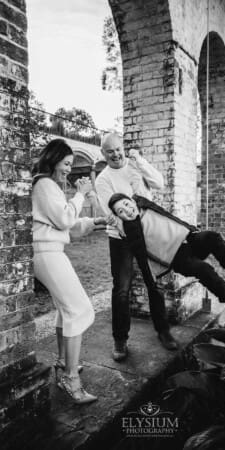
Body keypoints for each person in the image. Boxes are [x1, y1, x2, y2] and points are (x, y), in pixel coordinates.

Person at [107, 193, 225, 327]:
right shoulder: (128, 230)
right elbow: (111, 220)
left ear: (133, 201)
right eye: (121, 211)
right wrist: (94, 200)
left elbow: (140, 177)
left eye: (127, 204)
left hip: (188, 239)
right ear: (118, 216)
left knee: (212, 237)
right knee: (204, 270)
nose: (127, 210)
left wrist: (136, 158)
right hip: (177, 258)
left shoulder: (144, 203)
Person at [32, 138, 107, 404]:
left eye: (70, 165)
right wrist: (80, 195)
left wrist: (94, 221)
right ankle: (71, 378)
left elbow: (67, 225)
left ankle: (64, 362)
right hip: (47, 254)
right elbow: (64, 218)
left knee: (67, 310)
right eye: (66, 164)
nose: (68, 170)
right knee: (80, 309)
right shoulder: (44, 184)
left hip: (52, 252)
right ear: (53, 160)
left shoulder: (49, 187)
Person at [95, 132, 177, 362]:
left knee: (155, 283)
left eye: (118, 149)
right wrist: (131, 229)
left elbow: (159, 184)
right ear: (104, 153)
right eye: (110, 151)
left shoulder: (135, 166)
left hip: (148, 233)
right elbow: (112, 214)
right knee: (121, 289)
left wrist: (139, 161)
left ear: (123, 147)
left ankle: (163, 331)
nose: (116, 154)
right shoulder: (103, 180)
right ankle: (120, 339)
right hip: (120, 238)